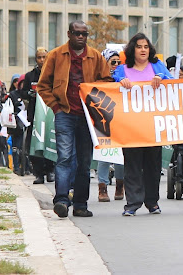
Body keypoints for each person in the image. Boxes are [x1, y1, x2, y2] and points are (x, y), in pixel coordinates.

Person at [37, 21, 112, 218]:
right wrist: (56, 107)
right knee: (64, 158)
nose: (80, 37)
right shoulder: (56, 55)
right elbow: (43, 86)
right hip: (65, 113)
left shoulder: (95, 56)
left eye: (84, 34)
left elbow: (107, 82)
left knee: (84, 163)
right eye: (77, 33)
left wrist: (94, 99)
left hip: (88, 117)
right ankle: (62, 201)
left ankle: (80, 204)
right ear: (69, 34)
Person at [113, 33, 173, 216]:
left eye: (146, 47)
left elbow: (173, 84)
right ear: (133, 49)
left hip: (153, 126)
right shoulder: (122, 69)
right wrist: (120, 82)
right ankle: (132, 203)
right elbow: (112, 87)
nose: (143, 50)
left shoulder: (157, 66)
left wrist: (161, 78)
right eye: (139, 46)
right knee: (132, 166)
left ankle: (152, 202)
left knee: (153, 166)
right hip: (130, 127)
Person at [21, 47, 55, 184]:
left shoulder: (53, 74)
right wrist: (29, 94)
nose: (42, 60)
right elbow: (22, 93)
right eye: (39, 57)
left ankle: (50, 170)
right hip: (34, 116)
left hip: (49, 114)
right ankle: (38, 173)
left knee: (49, 142)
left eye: (44, 57)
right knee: (35, 144)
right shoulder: (30, 76)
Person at [97, 49, 125, 202]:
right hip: (103, 120)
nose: (116, 64)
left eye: (118, 62)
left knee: (120, 155)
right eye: (112, 62)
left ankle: (120, 185)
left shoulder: (123, 77)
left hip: (121, 120)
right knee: (105, 155)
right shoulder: (99, 78)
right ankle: (102, 187)